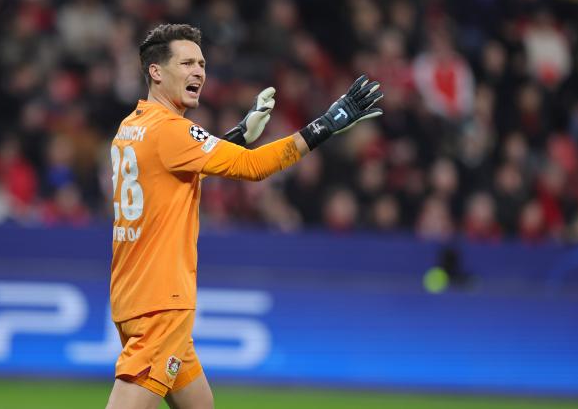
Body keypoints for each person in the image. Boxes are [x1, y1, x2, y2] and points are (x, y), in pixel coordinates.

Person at [105, 23, 383, 409]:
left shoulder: (131, 127)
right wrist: (327, 124)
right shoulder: (172, 131)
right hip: (161, 303)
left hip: (130, 296)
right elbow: (252, 168)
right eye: (186, 63)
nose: (199, 71)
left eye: (201, 63)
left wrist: (237, 134)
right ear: (156, 71)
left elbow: (177, 168)